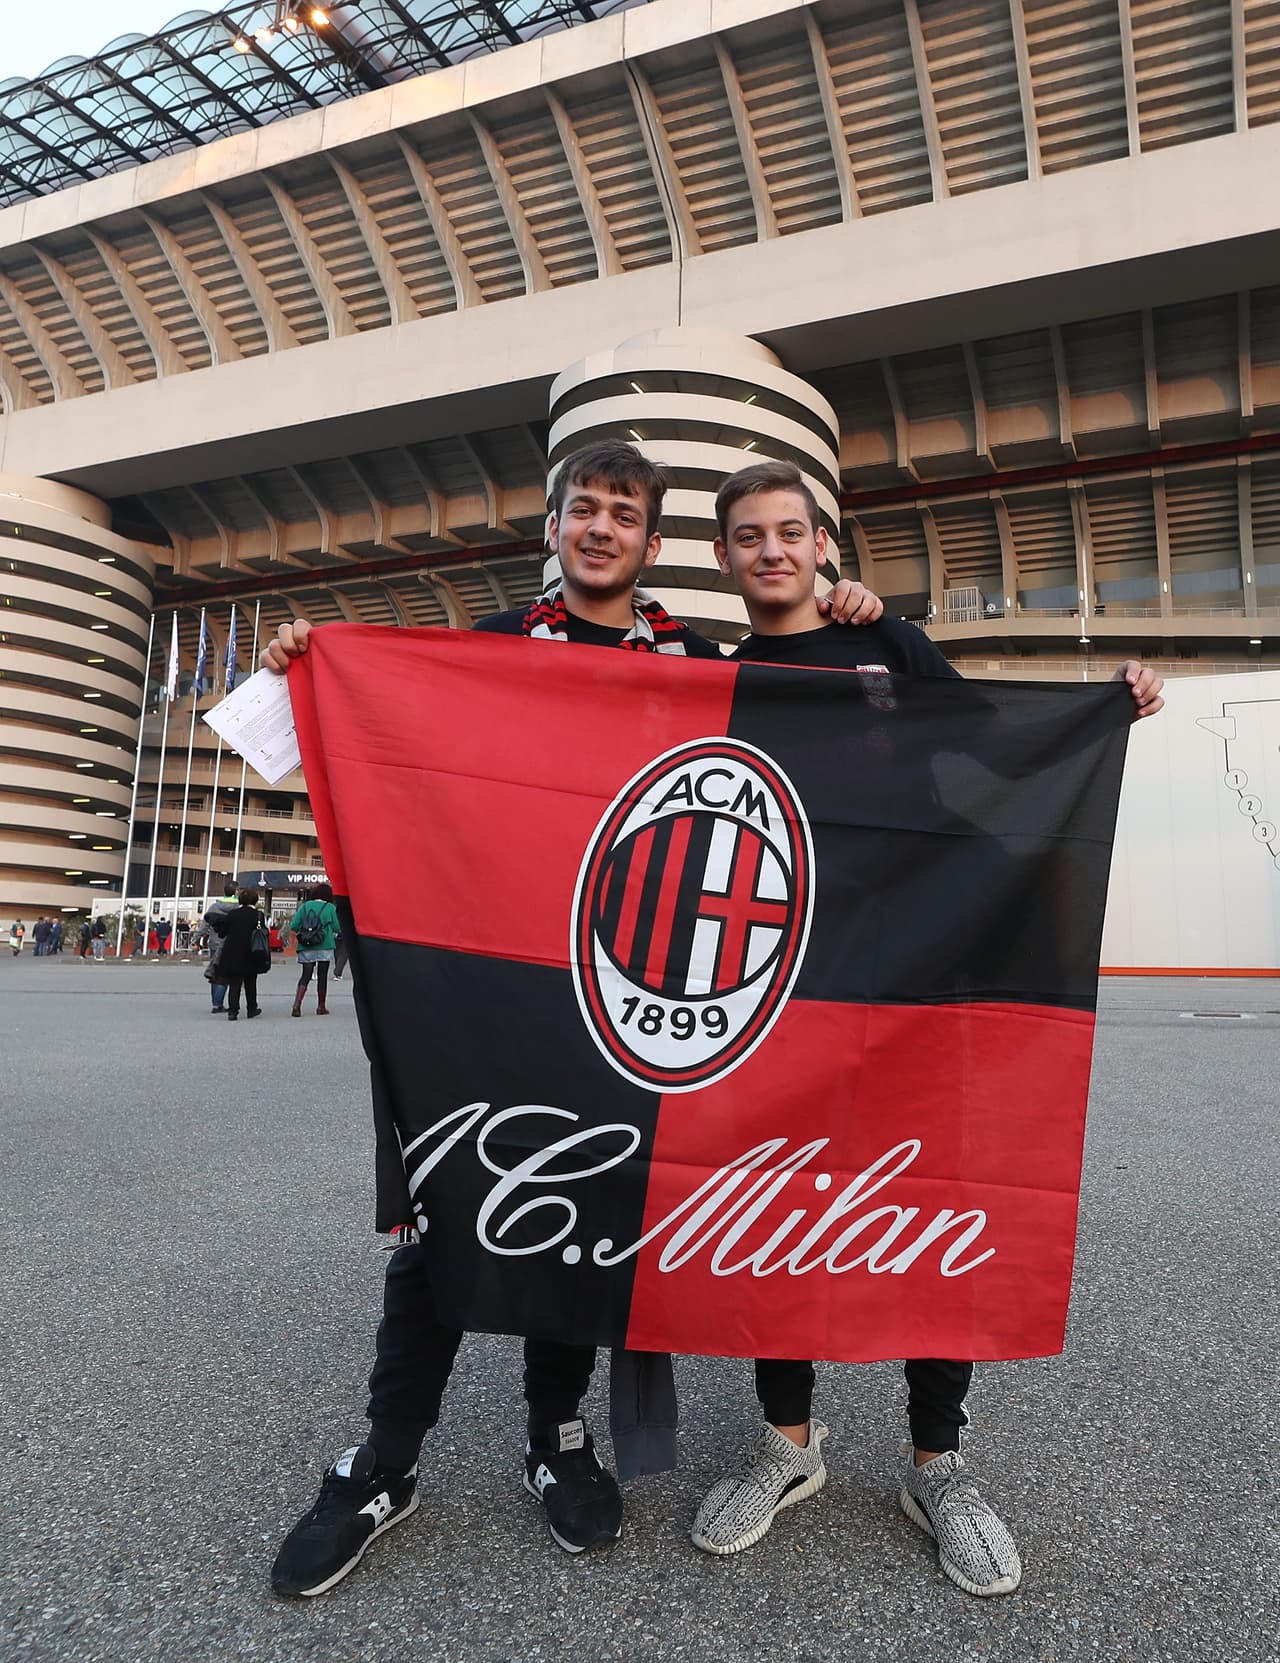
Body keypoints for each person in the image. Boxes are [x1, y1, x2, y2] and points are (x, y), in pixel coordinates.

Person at [260, 439, 886, 1597]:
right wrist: (313, 663)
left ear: (652, 542)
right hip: (489, 987)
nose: (600, 527)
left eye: (623, 514)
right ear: (552, 526)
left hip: (615, 990)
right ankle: (385, 1461)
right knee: (445, 1216)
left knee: (573, 1210)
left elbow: (818, 749)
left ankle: (555, 1436)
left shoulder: (693, 664)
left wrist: (856, 620)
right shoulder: (489, 649)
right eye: (582, 508)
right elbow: (385, 756)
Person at [685, 458, 1163, 1594]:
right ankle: (787, 1445)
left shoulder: (887, 645)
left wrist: (1106, 703)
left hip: (926, 966)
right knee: (775, 1195)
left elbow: (997, 742)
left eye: (789, 531)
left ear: (822, 543)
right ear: (723, 556)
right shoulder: (716, 674)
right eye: (748, 535)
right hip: (787, 977)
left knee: (939, 1186)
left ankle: (937, 1464)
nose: (770, 550)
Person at [206, 887, 267, 1020]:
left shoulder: (233, 914)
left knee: (234, 983)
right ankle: (252, 1008)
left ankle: (233, 1011)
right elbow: (263, 932)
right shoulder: (258, 915)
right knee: (251, 982)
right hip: (252, 951)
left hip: (232, 952)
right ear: (255, 901)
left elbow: (223, 933)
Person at [288, 883, 340, 1016]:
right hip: (325, 945)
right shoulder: (330, 907)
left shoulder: (305, 906)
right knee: (322, 976)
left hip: (306, 945)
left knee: (306, 975)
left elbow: (294, 925)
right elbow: (337, 927)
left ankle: (297, 1004)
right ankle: (321, 1006)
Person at [203, 883, 239, 1013]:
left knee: (214, 971)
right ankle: (219, 1003)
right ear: (236, 891)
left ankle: (216, 1003)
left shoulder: (214, 906)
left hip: (215, 942)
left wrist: (196, 939)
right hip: (231, 944)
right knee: (225, 973)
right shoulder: (238, 907)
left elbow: (204, 924)